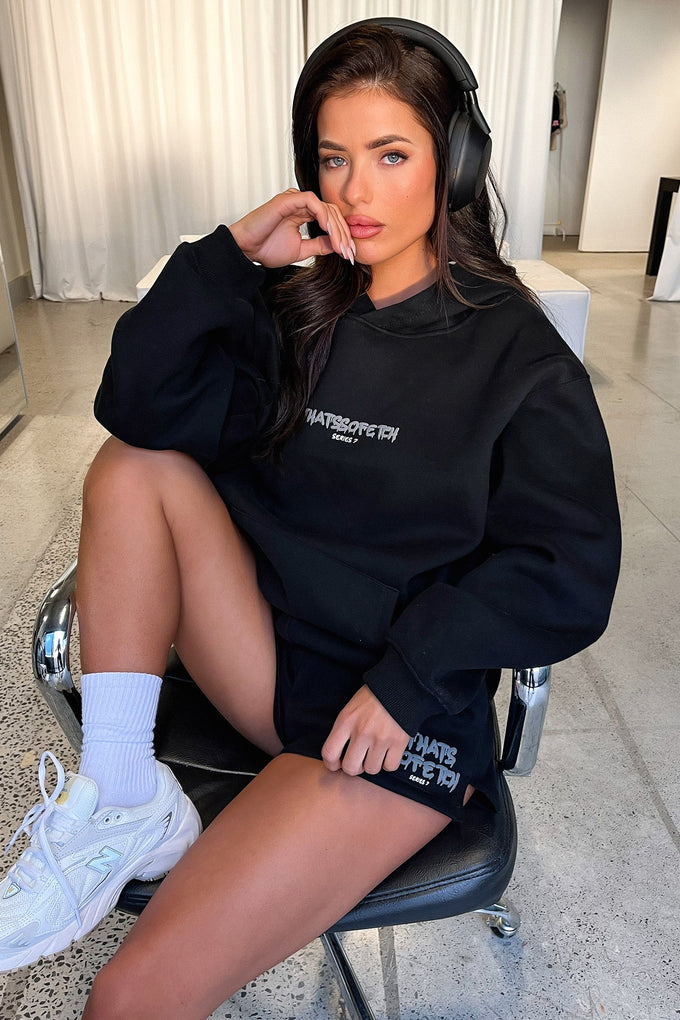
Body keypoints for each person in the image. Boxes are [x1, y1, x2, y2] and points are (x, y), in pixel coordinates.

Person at [0, 17, 620, 1019]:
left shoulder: (519, 360)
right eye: (334, 159)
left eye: (390, 155)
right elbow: (136, 405)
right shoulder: (299, 313)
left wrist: (410, 683)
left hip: (391, 723)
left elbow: (567, 570)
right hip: (268, 661)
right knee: (131, 465)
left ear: (455, 164)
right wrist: (228, 258)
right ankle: (123, 791)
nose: (356, 191)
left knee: (129, 996)